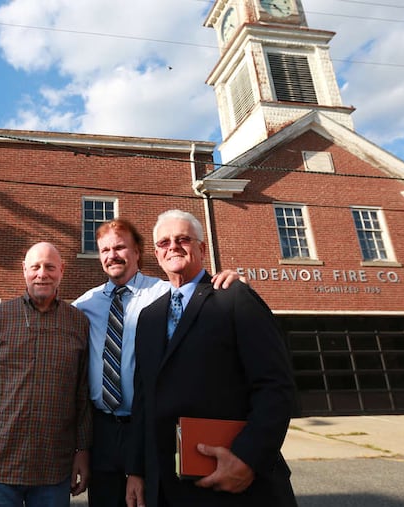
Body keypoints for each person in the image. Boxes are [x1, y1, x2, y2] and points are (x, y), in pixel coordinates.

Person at [125, 210, 297, 507]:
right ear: (155, 253)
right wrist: (137, 470)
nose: (173, 247)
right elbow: (144, 399)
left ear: (202, 248)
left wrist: (248, 458)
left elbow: (275, 386)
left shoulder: (234, 297)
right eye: (164, 242)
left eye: (183, 239)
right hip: (165, 485)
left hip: (232, 481)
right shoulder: (148, 317)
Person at [72, 218, 242, 507]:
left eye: (120, 247)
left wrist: (230, 282)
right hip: (102, 431)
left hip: (151, 426)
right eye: (104, 250)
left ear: (138, 251)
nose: (112, 255)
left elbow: (202, 294)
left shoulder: (165, 293)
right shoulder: (84, 305)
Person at [0, 241, 91, 507]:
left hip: (54, 468)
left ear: (61, 270)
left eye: (50, 267)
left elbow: (82, 394)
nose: (42, 274)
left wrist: (83, 451)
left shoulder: (78, 323)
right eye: (35, 267)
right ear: (24, 270)